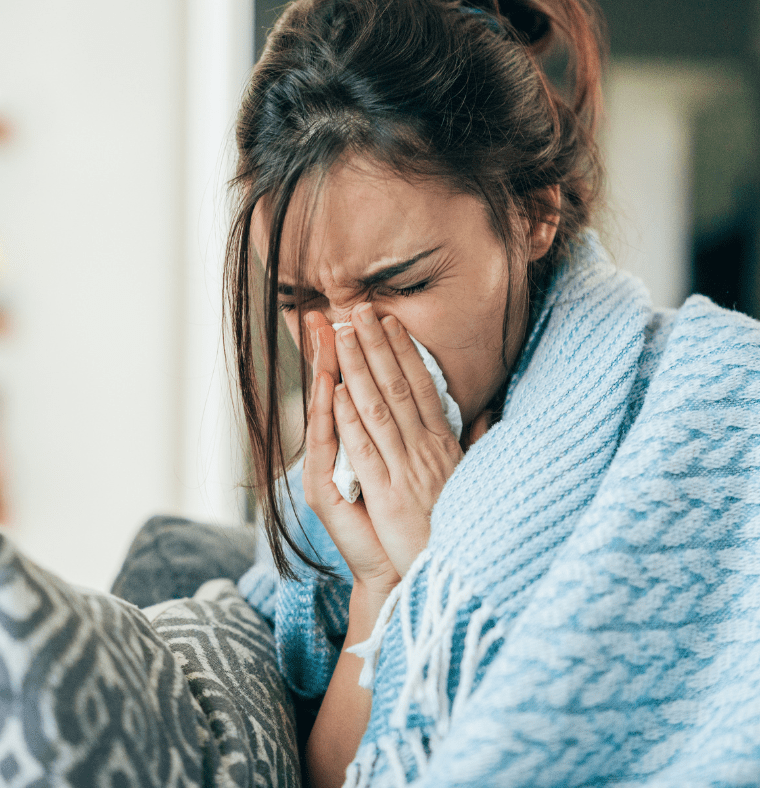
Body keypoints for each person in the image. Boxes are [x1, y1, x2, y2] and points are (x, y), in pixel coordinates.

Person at [225, 1, 760, 787]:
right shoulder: (321, 515)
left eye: (400, 285)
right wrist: (385, 585)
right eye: (299, 302)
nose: (346, 346)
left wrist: (451, 554)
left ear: (535, 210)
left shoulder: (721, 408)